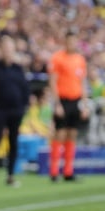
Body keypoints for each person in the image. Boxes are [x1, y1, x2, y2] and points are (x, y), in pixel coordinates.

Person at [0, 35, 30, 189]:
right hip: (0, 111)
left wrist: (24, 105)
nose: (8, 52)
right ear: (1, 50)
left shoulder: (18, 69)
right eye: (5, 48)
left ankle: (10, 175)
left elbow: (25, 89)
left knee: (13, 143)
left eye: (10, 49)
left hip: (16, 111)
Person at [48, 30, 88, 182]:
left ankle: (68, 171)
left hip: (75, 100)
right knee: (60, 134)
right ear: (65, 42)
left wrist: (84, 104)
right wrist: (57, 103)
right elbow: (53, 82)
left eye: (74, 41)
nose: (72, 44)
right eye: (69, 41)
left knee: (72, 134)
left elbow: (82, 82)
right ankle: (53, 171)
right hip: (63, 100)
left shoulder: (80, 59)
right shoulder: (58, 58)